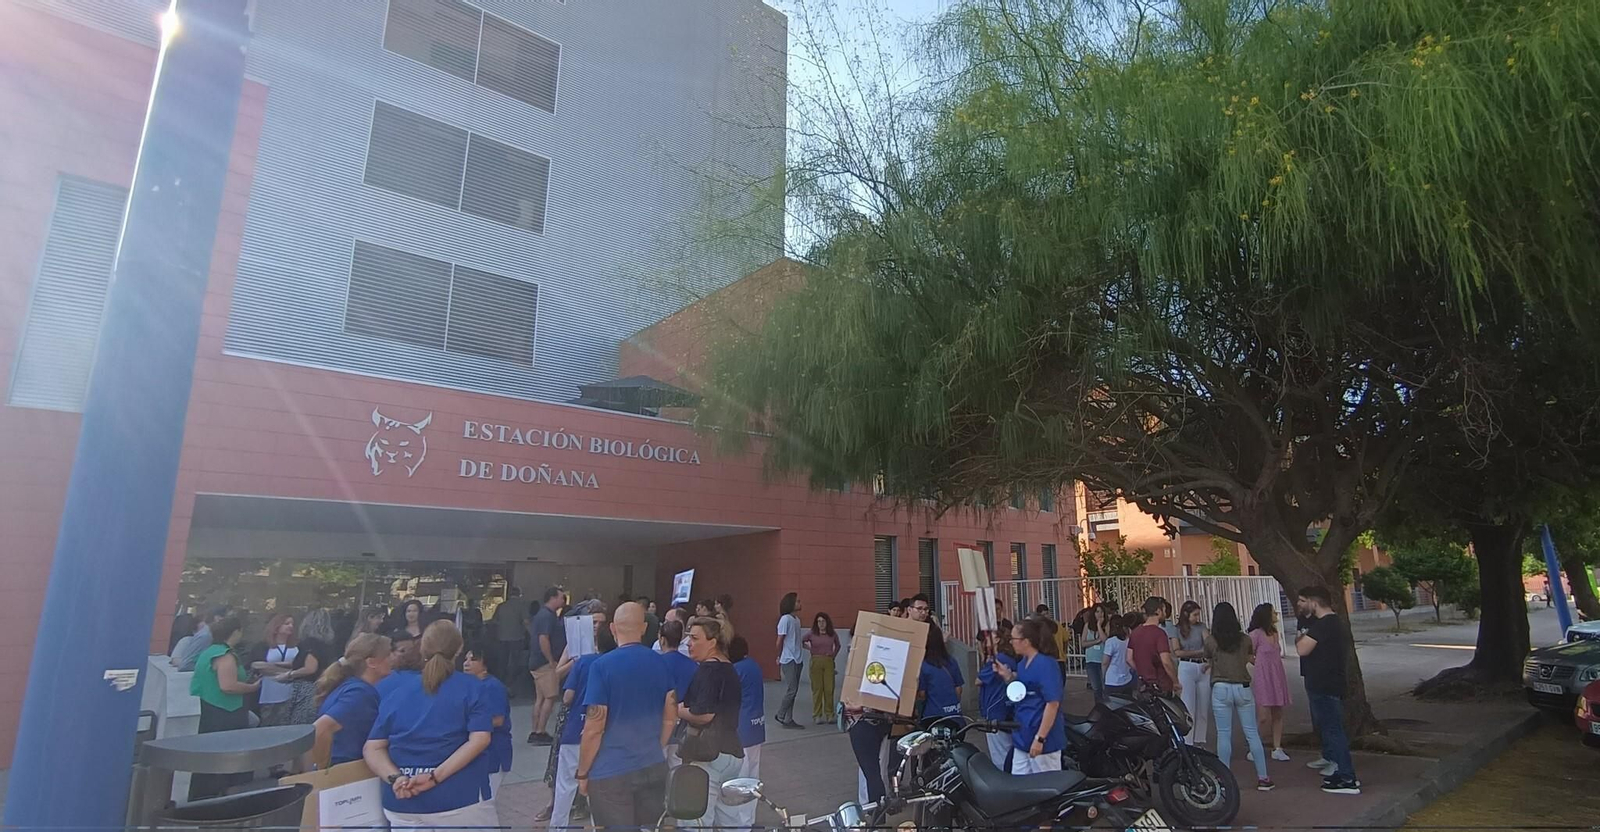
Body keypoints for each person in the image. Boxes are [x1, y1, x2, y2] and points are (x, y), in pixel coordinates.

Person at [363, 620, 495, 829]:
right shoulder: (473, 688)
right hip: (460, 797)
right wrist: (434, 777)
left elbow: (373, 746)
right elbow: (480, 739)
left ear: (422, 649)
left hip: (401, 801)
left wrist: (396, 778)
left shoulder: (396, 691)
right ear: (459, 649)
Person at [577, 602, 677, 829]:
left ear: (612, 628)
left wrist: (582, 773)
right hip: (652, 764)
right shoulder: (661, 662)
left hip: (610, 772)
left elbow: (594, 727)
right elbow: (671, 715)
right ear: (643, 628)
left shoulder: (601, 666)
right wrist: (656, 745)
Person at [545, 611, 613, 829]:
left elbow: (567, 697)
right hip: (604, 733)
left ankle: (557, 827)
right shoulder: (613, 664)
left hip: (575, 729)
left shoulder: (583, 662)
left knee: (565, 785)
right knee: (598, 787)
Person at [1296, 586, 1360, 794]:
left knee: (1334, 731)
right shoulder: (1332, 623)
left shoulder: (1326, 624)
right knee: (1332, 729)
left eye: (1304, 601)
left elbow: (1301, 648)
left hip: (1325, 684)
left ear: (1314, 603)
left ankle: (1348, 778)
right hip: (1326, 683)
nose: (1301, 605)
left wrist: (1301, 639)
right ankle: (1342, 773)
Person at [189, 616, 260, 799]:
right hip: (227, 714)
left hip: (209, 710)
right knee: (226, 759)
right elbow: (227, 686)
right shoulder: (225, 655)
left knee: (207, 759)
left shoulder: (208, 652)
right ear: (235, 632)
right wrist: (252, 687)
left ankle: (202, 798)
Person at [1205, 602, 1273, 791]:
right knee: (1252, 733)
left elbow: (1209, 658)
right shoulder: (1244, 640)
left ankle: (1224, 779)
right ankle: (1263, 777)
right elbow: (1248, 657)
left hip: (1220, 687)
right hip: (1242, 687)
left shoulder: (1211, 640)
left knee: (1223, 734)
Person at [994, 619, 1064, 773]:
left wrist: (1040, 738)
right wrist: (1008, 677)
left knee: (1045, 788)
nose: (1011, 642)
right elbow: (1023, 691)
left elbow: (1052, 703)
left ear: (1026, 641)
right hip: (1023, 735)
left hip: (1042, 739)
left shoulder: (1046, 664)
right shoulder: (1022, 663)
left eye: (1014, 639)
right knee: (1020, 785)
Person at [313, 633, 392, 767]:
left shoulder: (349, 686)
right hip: (343, 774)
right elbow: (320, 729)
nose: (392, 659)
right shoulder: (359, 693)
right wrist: (322, 771)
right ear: (371, 662)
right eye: (388, 655)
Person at [460, 645, 512, 797]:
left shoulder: (493, 687)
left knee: (486, 801)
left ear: (485, 664)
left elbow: (498, 720)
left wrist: (465, 726)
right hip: (477, 754)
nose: (467, 663)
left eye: (473, 659)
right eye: (466, 659)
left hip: (494, 753)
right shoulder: (469, 685)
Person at [727, 636, 767, 827]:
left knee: (740, 781)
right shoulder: (753, 665)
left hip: (741, 729)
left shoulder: (736, 670)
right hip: (756, 726)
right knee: (753, 777)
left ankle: (740, 825)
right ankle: (749, 820)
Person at [1247, 602, 1292, 761]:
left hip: (1277, 674)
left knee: (1278, 712)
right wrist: (1258, 663)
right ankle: (1254, 746)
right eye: (1273, 612)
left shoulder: (1274, 633)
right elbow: (1248, 653)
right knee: (1263, 715)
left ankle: (1277, 747)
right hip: (1263, 676)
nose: (1276, 614)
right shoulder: (1256, 634)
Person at [281, 608, 339, 725]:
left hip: (306, 690)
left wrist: (289, 674)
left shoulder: (309, 643)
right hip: (320, 687)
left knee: (298, 723)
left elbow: (310, 668)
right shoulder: (326, 645)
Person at [528, 586, 567, 745]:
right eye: (561, 597)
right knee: (549, 697)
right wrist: (551, 660)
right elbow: (543, 639)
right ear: (553, 597)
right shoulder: (546, 616)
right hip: (544, 663)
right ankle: (540, 731)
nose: (563, 601)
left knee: (541, 697)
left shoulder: (545, 615)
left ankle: (536, 729)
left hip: (537, 661)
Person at [657, 619, 698, 767]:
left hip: (660, 721)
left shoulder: (656, 663)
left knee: (658, 768)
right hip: (684, 723)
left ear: (662, 639)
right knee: (678, 767)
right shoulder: (693, 665)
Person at [977, 631, 1019, 768]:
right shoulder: (1009, 658)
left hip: (995, 708)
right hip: (1007, 707)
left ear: (997, 640)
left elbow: (978, 680)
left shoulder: (997, 659)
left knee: (1000, 754)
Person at [1173, 600, 1212, 745]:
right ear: (1186, 614)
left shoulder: (1201, 627)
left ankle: (1200, 740)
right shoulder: (1177, 629)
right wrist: (1198, 652)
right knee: (1188, 706)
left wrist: (1207, 659)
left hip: (1202, 666)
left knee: (1203, 707)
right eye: (1194, 614)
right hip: (1186, 667)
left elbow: (1209, 646)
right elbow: (1177, 652)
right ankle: (1188, 741)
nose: (1197, 618)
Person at [253, 614, 300, 726]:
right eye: (286, 623)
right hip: (268, 694)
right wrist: (288, 672)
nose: (290, 626)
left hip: (291, 693)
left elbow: (300, 666)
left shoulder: (297, 645)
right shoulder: (263, 645)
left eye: (292, 624)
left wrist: (271, 666)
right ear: (277, 626)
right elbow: (257, 665)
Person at [918, 624, 965, 727]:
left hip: (933, 717)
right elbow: (958, 689)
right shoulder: (952, 661)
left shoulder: (924, 665)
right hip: (955, 716)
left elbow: (922, 694)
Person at [1130, 597, 1180, 694]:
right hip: (1161, 684)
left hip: (1144, 684)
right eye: (1164, 610)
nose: (1166, 614)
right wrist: (1175, 681)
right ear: (1158, 611)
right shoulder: (1159, 633)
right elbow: (1165, 661)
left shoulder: (1135, 632)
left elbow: (1128, 658)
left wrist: (1141, 670)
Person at [774, 592, 806, 729]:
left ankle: (788, 718)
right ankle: (781, 714)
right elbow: (780, 640)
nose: (800, 603)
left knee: (794, 690)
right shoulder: (785, 619)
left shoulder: (796, 620)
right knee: (791, 689)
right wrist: (778, 655)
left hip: (798, 658)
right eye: (797, 601)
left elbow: (797, 640)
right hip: (788, 658)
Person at [803, 612, 840, 723]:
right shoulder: (812, 633)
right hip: (816, 661)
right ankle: (817, 714)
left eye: (823, 621)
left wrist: (833, 656)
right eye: (819, 621)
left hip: (828, 661)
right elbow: (802, 641)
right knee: (817, 689)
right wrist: (809, 648)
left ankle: (829, 714)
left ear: (827, 622)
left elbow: (838, 645)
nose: (821, 624)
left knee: (829, 689)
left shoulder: (832, 633)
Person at [490, 587, 529, 690]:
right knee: (514, 663)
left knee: (502, 662)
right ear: (519, 594)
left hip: (502, 638)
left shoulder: (501, 606)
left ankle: (500, 684)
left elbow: (494, 621)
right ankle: (510, 685)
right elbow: (526, 622)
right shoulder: (522, 605)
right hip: (517, 638)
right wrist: (528, 633)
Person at [173, 605, 229, 672]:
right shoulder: (205, 636)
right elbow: (186, 664)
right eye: (227, 619)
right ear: (217, 618)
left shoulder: (210, 635)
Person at [1101, 613, 1136, 697]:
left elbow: (1105, 662)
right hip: (1127, 678)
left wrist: (1103, 676)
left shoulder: (1111, 642)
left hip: (1112, 680)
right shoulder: (1128, 640)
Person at [1081, 604, 1107, 701]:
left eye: (1101, 611)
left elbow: (1105, 640)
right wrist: (1096, 641)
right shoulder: (1087, 626)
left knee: (1104, 687)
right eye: (1097, 612)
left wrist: (1099, 626)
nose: (1099, 614)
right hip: (1091, 661)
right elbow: (1083, 643)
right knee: (1096, 688)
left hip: (1103, 660)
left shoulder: (1106, 625)